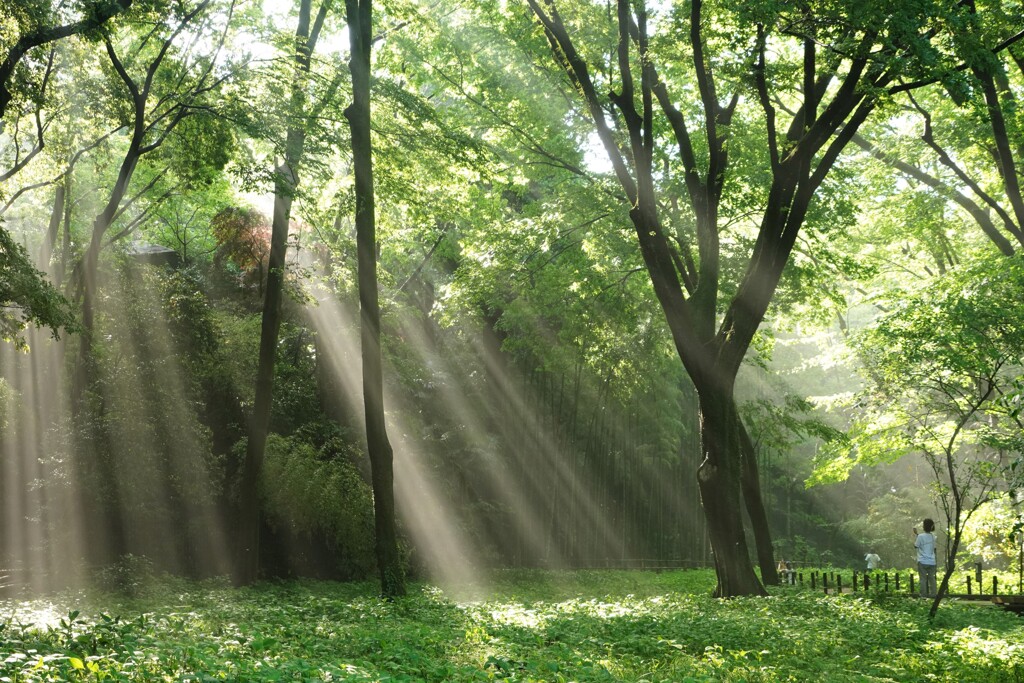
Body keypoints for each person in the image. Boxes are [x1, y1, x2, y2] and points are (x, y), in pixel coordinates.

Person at [914, 519, 937, 597]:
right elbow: (934, 548)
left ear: (924, 526)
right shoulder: (933, 536)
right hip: (932, 561)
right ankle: (933, 594)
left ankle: (923, 595)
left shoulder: (920, 536)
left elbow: (916, 546)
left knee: (923, 579)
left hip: (922, 561)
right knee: (932, 578)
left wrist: (917, 535)